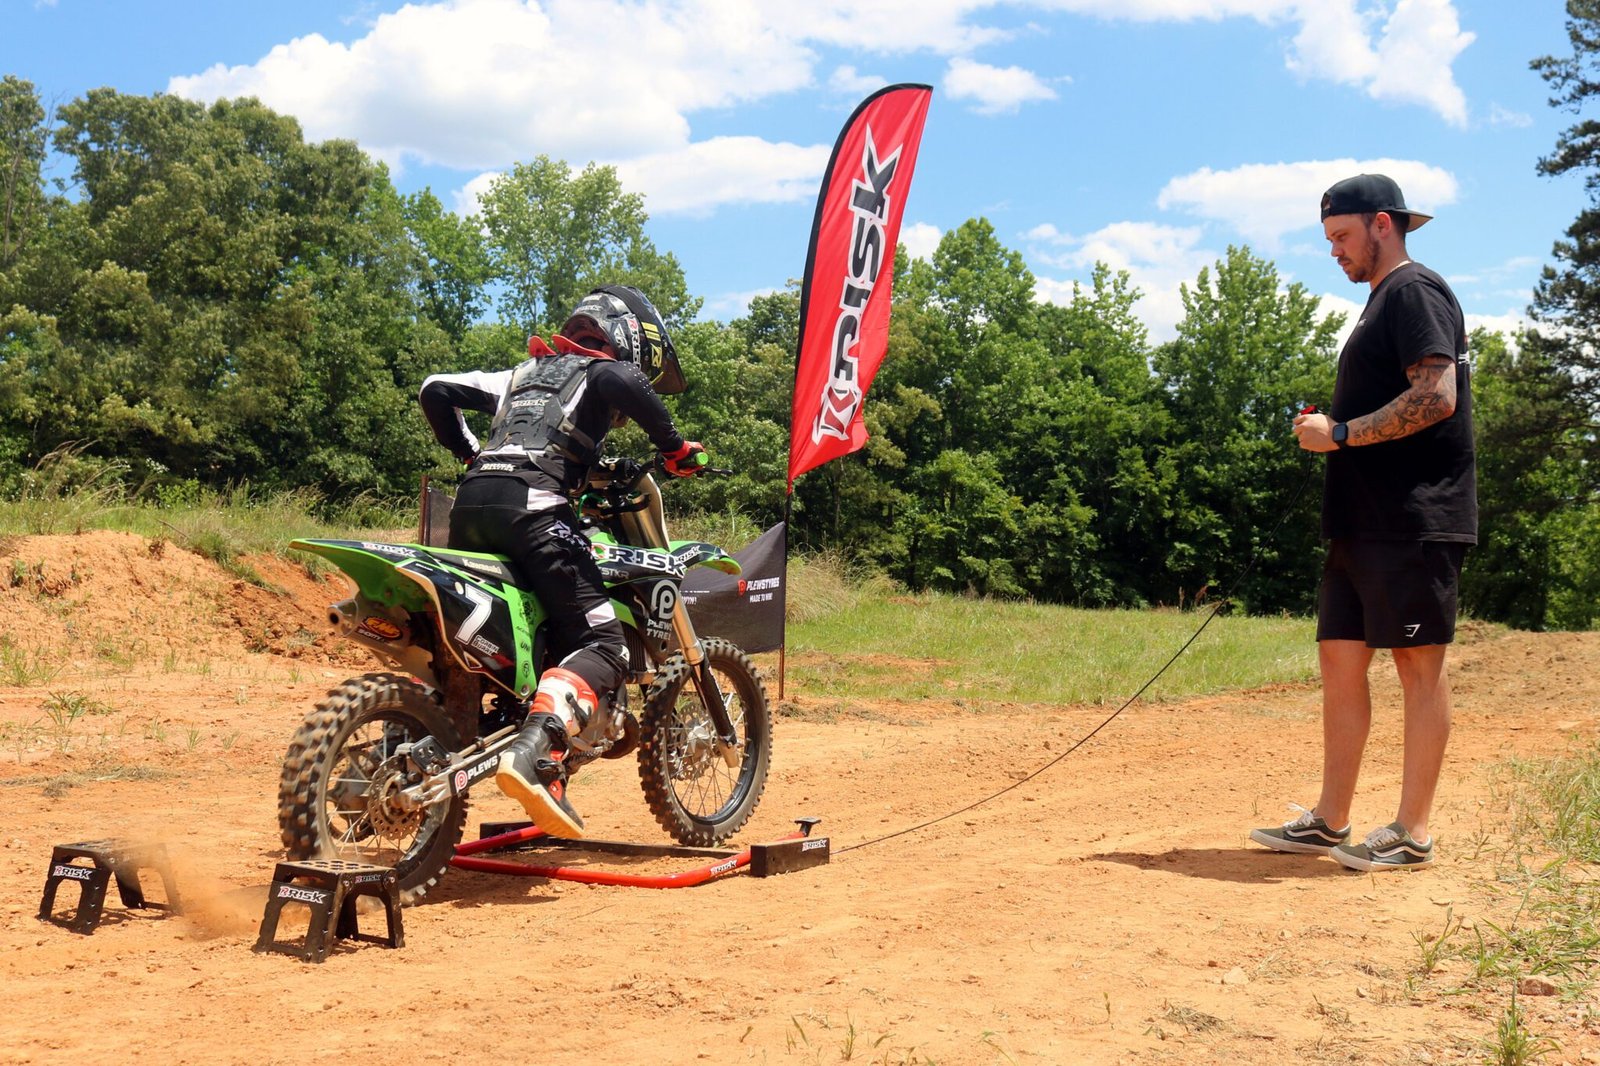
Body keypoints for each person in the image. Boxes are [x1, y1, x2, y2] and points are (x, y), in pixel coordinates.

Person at [418, 285, 706, 839]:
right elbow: (621, 380)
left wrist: (470, 453)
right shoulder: (601, 372)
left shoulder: (520, 376)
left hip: (471, 511)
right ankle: (533, 754)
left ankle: (525, 755)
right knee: (603, 643)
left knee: (538, 634)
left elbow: (435, 389)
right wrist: (674, 447)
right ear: (623, 341)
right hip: (534, 510)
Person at [1250, 173, 1476, 872]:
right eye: (1329, 241)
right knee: (1340, 661)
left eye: (1343, 237)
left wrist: (1340, 435)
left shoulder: (1414, 291)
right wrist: (1329, 431)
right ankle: (1331, 818)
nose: (1335, 252)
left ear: (1384, 224)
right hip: (1359, 523)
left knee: (1417, 667)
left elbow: (1436, 396)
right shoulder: (1380, 304)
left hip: (1412, 519)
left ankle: (1413, 831)